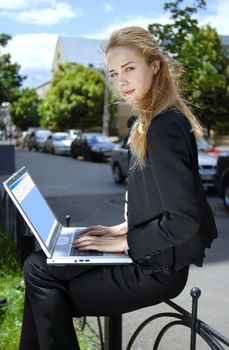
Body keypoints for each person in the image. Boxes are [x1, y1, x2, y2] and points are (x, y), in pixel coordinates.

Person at [19, 26, 218, 350]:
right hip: (149, 258)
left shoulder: (162, 127)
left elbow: (183, 219)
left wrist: (125, 242)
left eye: (129, 69)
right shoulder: (155, 119)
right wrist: (116, 231)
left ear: (154, 66)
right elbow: (161, 202)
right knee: (38, 267)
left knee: (42, 277)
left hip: (154, 271)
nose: (120, 81)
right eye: (113, 73)